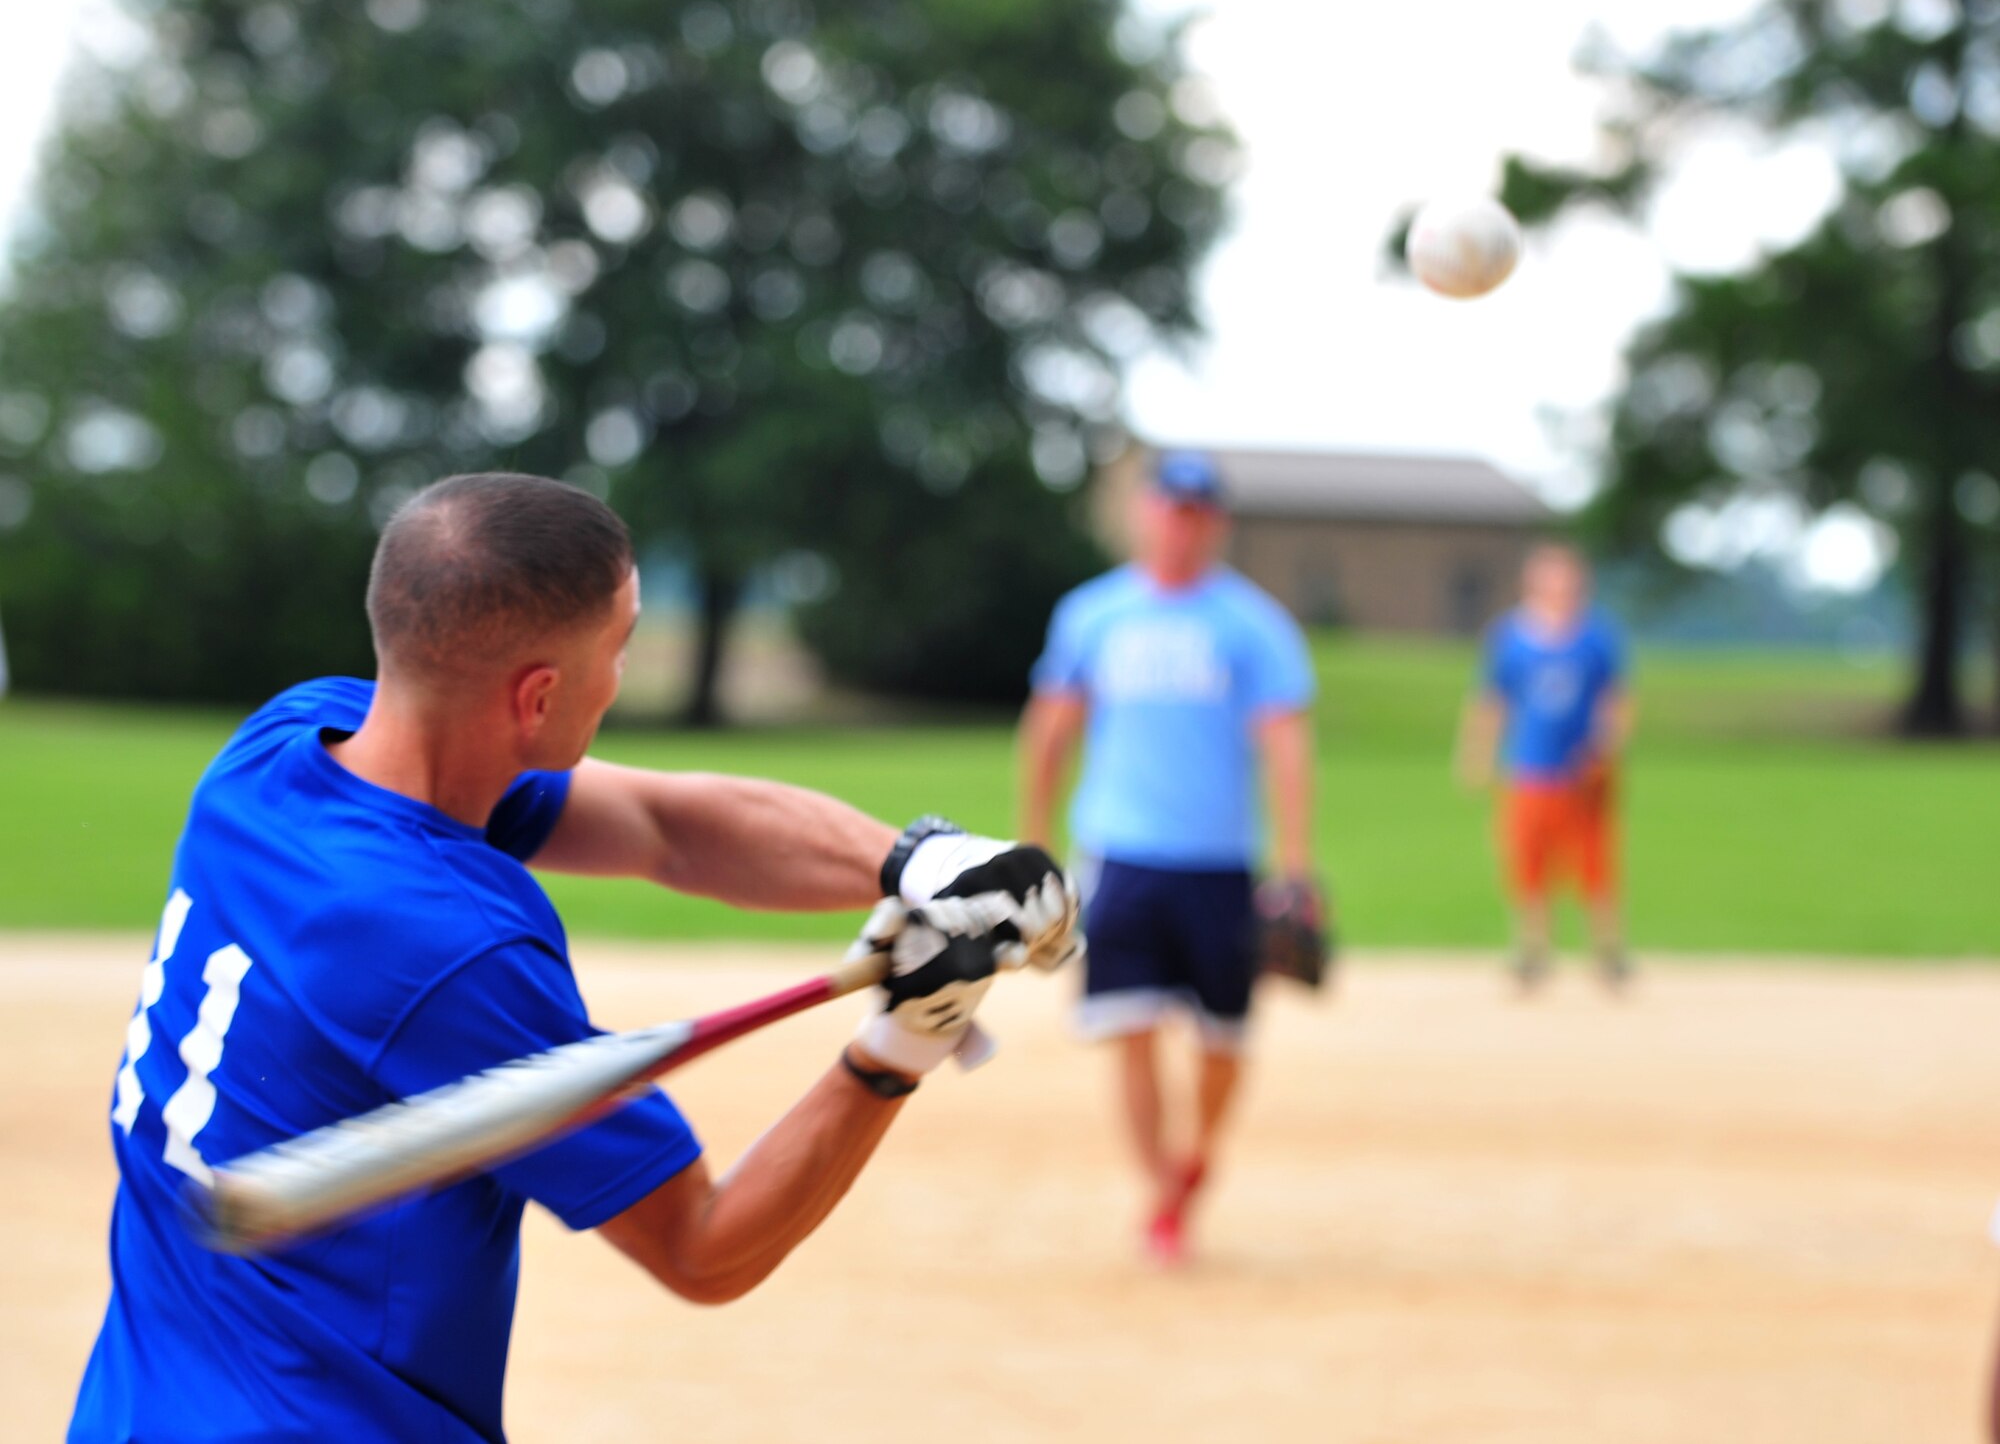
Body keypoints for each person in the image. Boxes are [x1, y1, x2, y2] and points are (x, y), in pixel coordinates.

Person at [69, 473, 1077, 1444]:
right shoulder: (447, 951)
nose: (623, 673)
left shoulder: (287, 742)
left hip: (132, 1410)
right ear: (537, 695)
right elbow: (703, 1243)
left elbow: (663, 826)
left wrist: (922, 861)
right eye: (621, 643)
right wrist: (899, 1043)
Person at [1017, 451, 1318, 1266]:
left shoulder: (1252, 625)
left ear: (1214, 522)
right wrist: (1033, 841)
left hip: (1219, 861)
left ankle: (1196, 1158)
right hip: (1120, 854)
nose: (1182, 523)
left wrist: (1296, 864)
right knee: (1132, 1024)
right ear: (1147, 512)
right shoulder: (1094, 615)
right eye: (1170, 507)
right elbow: (1052, 724)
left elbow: (1285, 741)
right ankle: (1163, 1196)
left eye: (1197, 510)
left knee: (1223, 1037)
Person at [1455, 541, 1634, 990]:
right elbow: (1492, 700)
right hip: (1531, 767)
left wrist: (1605, 748)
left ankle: (1607, 950)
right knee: (1527, 860)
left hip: (1584, 769)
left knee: (1595, 860)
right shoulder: (1511, 637)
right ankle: (1531, 950)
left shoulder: (1597, 636)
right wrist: (1477, 753)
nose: (1560, 587)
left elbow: (1616, 700)